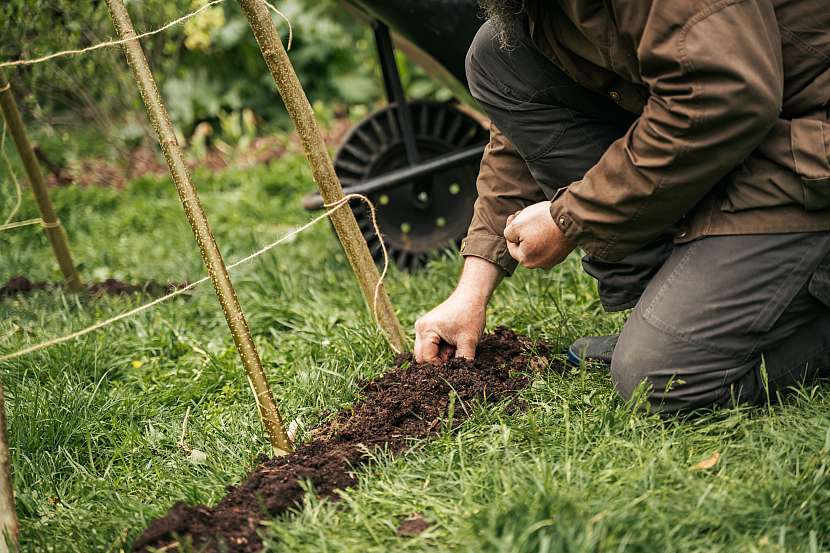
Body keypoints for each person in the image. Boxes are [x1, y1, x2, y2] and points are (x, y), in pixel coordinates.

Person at [414, 0, 830, 412]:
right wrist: (472, 289)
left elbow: (725, 97)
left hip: (803, 141)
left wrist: (570, 218)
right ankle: (677, 307)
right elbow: (520, 128)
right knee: (498, 55)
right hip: (737, 135)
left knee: (663, 381)